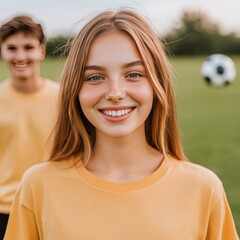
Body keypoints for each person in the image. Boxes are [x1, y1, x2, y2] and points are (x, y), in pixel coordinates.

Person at [4, 9, 239, 240]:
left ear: (158, 84)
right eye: (95, 77)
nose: (115, 93)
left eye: (134, 74)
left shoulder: (203, 189)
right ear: (75, 89)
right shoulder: (38, 187)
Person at [0, 15, 59, 239]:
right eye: (12, 48)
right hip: (4, 210)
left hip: (52, 207)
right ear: (3, 52)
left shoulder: (65, 99)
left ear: (41, 51)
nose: (21, 56)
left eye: (28, 47)